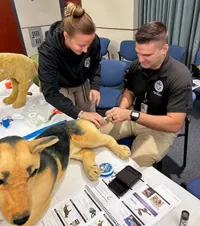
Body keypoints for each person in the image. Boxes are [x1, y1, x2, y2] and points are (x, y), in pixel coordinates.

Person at [103, 21, 193, 167]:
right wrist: (123, 109)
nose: (140, 59)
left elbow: (175, 124)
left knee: (132, 167)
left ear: (164, 49)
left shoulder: (179, 76)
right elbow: (129, 92)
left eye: (147, 55)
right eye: (138, 53)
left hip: (161, 128)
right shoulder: (136, 66)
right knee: (94, 135)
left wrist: (132, 115)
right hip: (134, 115)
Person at [38, 3, 104, 127]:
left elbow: (95, 64)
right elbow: (50, 92)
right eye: (81, 45)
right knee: (71, 124)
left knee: (92, 120)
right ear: (66, 36)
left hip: (82, 83)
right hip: (61, 87)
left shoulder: (93, 41)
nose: (86, 50)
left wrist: (95, 86)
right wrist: (79, 113)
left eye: (89, 44)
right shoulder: (48, 51)